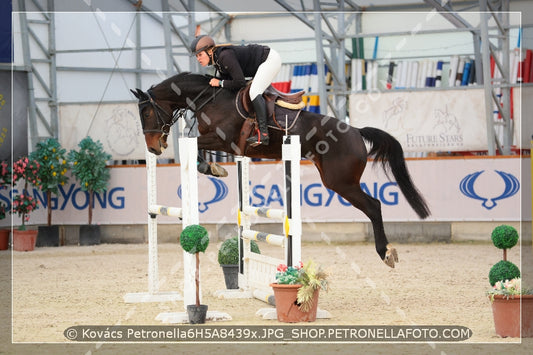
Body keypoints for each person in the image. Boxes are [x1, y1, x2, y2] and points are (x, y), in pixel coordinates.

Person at [190, 35, 281, 146]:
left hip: (269, 60)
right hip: (261, 63)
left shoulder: (224, 56)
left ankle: (264, 134)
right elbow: (229, 82)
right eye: (197, 56)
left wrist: (219, 83)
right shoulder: (217, 61)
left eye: (200, 55)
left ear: (209, 51)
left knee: (254, 92)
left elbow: (239, 82)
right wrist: (219, 82)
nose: (198, 59)